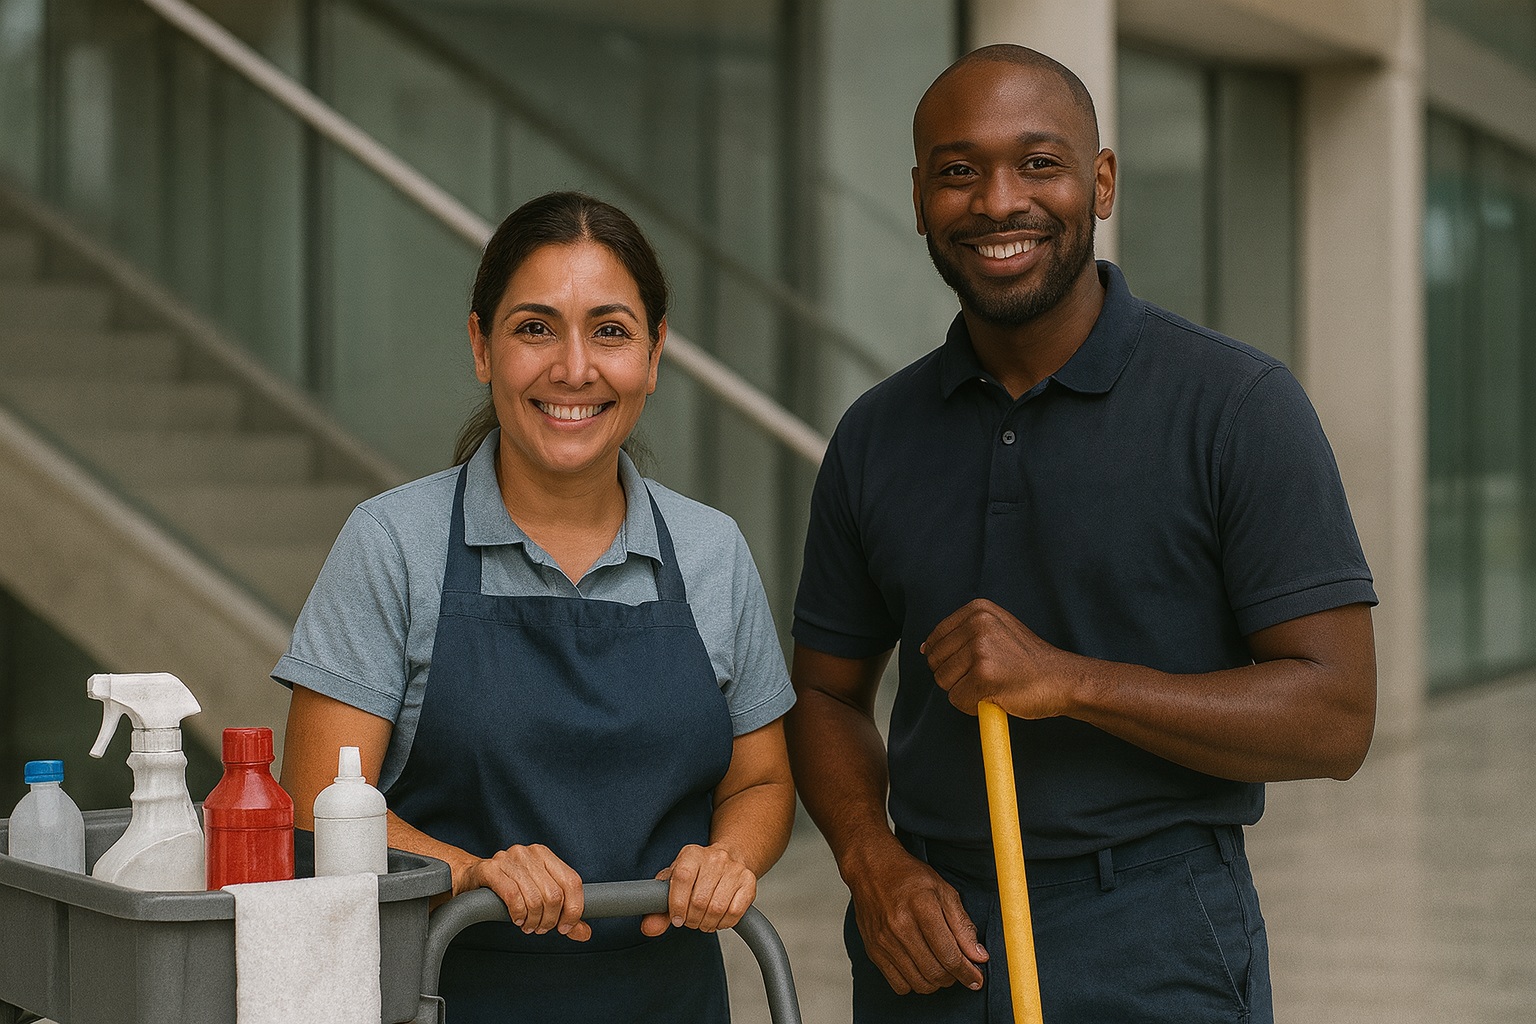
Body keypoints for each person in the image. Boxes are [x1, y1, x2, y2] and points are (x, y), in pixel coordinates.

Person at [786, 44, 1377, 1024]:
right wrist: (869, 860)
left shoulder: (1237, 405)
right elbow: (825, 692)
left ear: (1100, 182)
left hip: (1153, 929)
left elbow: (1337, 716)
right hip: (925, 940)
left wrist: (1072, 682)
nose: (996, 201)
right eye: (959, 171)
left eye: (1039, 162)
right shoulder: (875, 435)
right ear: (921, 197)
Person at [274, 191, 797, 1023]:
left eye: (612, 331)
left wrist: (728, 858)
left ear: (655, 356)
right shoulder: (391, 544)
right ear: (482, 346)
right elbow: (312, 803)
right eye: (535, 327)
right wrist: (474, 872)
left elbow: (762, 778)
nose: (574, 368)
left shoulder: (712, 552)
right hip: (446, 995)